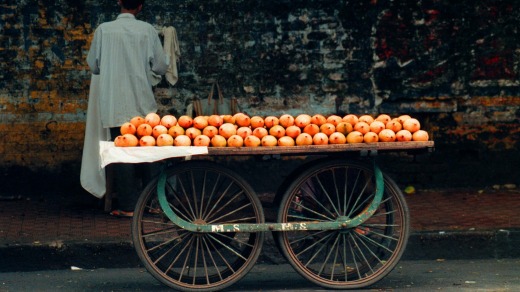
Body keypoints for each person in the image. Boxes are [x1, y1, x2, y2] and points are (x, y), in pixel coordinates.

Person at [86, 0, 168, 217]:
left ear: (119, 2)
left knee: (122, 154)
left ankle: (129, 207)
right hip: (142, 102)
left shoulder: (104, 30)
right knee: (149, 152)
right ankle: (153, 203)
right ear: (140, 6)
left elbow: (94, 66)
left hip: (114, 103)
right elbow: (161, 66)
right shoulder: (147, 30)